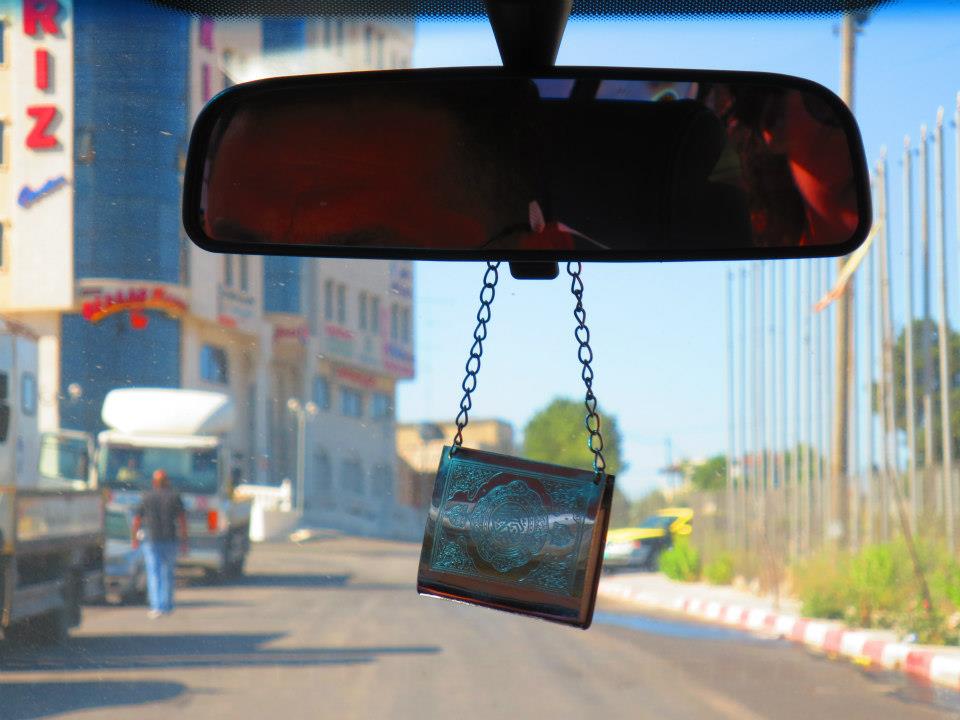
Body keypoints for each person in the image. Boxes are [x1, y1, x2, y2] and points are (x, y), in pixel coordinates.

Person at [132, 469, 188, 618]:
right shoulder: (175, 496)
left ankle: (156, 606)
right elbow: (182, 520)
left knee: (154, 574)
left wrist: (134, 539)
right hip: (170, 540)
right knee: (168, 574)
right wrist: (184, 541)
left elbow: (137, 519)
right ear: (167, 481)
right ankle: (167, 606)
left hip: (151, 540)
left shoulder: (147, 497)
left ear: (154, 482)